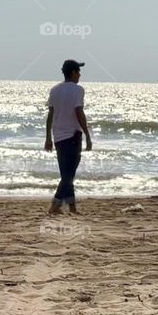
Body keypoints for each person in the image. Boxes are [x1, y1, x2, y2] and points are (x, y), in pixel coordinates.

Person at [44, 59, 93, 214]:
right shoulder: (78, 90)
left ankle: (72, 208)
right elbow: (79, 111)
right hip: (72, 135)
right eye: (78, 71)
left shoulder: (54, 90)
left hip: (58, 136)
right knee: (68, 175)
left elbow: (50, 114)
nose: (80, 74)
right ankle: (55, 204)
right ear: (72, 72)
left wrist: (48, 137)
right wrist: (87, 134)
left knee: (66, 173)